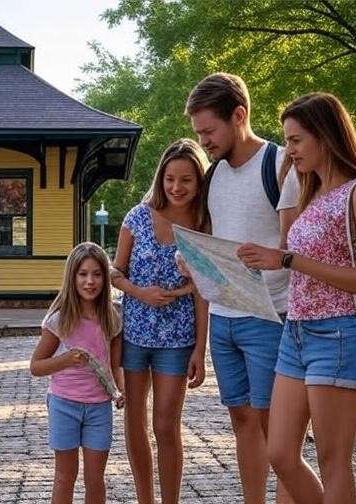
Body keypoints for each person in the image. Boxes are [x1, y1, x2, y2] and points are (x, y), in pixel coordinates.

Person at [237, 92, 356, 503]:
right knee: (281, 453)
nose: (288, 149)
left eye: (296, 140)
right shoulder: (311, 192)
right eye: (287, 141)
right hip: (297, 333)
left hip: (339, 334)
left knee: (333, 460)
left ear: (325, 136)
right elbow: (292, 255)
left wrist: (290, 259)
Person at [185, 72, 300, 504]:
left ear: (239, 115)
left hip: (270, 317)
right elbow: (216, 240)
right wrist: (193, 258)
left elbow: (292, 246)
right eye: (198, 133)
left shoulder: (278, 164)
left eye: (209, 131)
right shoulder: (212, 177)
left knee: (278, 432)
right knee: (241, 421)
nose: (204, 142)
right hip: (224, 319)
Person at [111, 138, 209, 504]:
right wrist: (141, 293)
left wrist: (201, 347)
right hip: (135, 335)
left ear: (198, 182)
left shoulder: (202, 224)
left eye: (186, 180)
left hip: (178, 338)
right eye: (170, 178)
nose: (176, 187)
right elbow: (114, 272)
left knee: (165, 425)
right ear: (161, 177)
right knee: (135, 421)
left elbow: (204, 289)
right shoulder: (137, 217)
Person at [30, 242, 125, 504]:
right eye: (83, 274)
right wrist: (66, 359)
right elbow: (36, 366)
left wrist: (119, 390)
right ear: (72, 277)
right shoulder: (59, 320)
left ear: (105, 279)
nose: (90, 281)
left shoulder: (112, 318)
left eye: (96, 274)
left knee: (95, 479)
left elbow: (114, 366)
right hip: (64, 405)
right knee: (64, 476)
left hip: (99, 409)